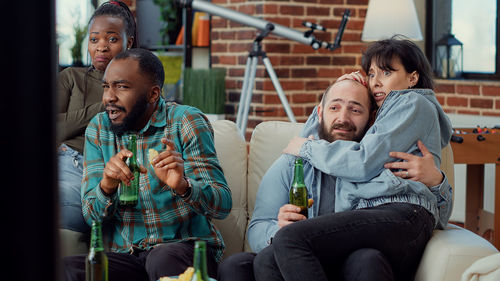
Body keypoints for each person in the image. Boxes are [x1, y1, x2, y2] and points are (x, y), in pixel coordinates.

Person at [254, 37, 453, 281]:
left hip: (400, 213)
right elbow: (315, 135)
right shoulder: (381, 126)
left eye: (387, 73)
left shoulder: (412, 103)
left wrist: (305, 147)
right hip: (387, 219)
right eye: (371, 74)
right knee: (270, 255)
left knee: (292, 238)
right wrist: (337, 89)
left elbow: (361, 163)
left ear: (412, 78)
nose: (376, 82)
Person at [63, 48, 232, 281]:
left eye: (121, 87)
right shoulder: (99, 128)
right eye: (106, 87)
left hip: (181, 250)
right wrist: (106, 187)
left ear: (153, 94)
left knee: (162, 258)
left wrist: (184, 186)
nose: (108, 97)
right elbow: (91, 217)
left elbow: (222, 204)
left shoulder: (185, 121)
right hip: (126, 255)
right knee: (66, 270)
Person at [57, 0, 138, 233]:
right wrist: (105, 105)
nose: (101, 47)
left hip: (110, 170)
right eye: (94, 39)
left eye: (112, 39)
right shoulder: (71, 77)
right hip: (68, 164)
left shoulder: (140, 86)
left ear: (128, 42)